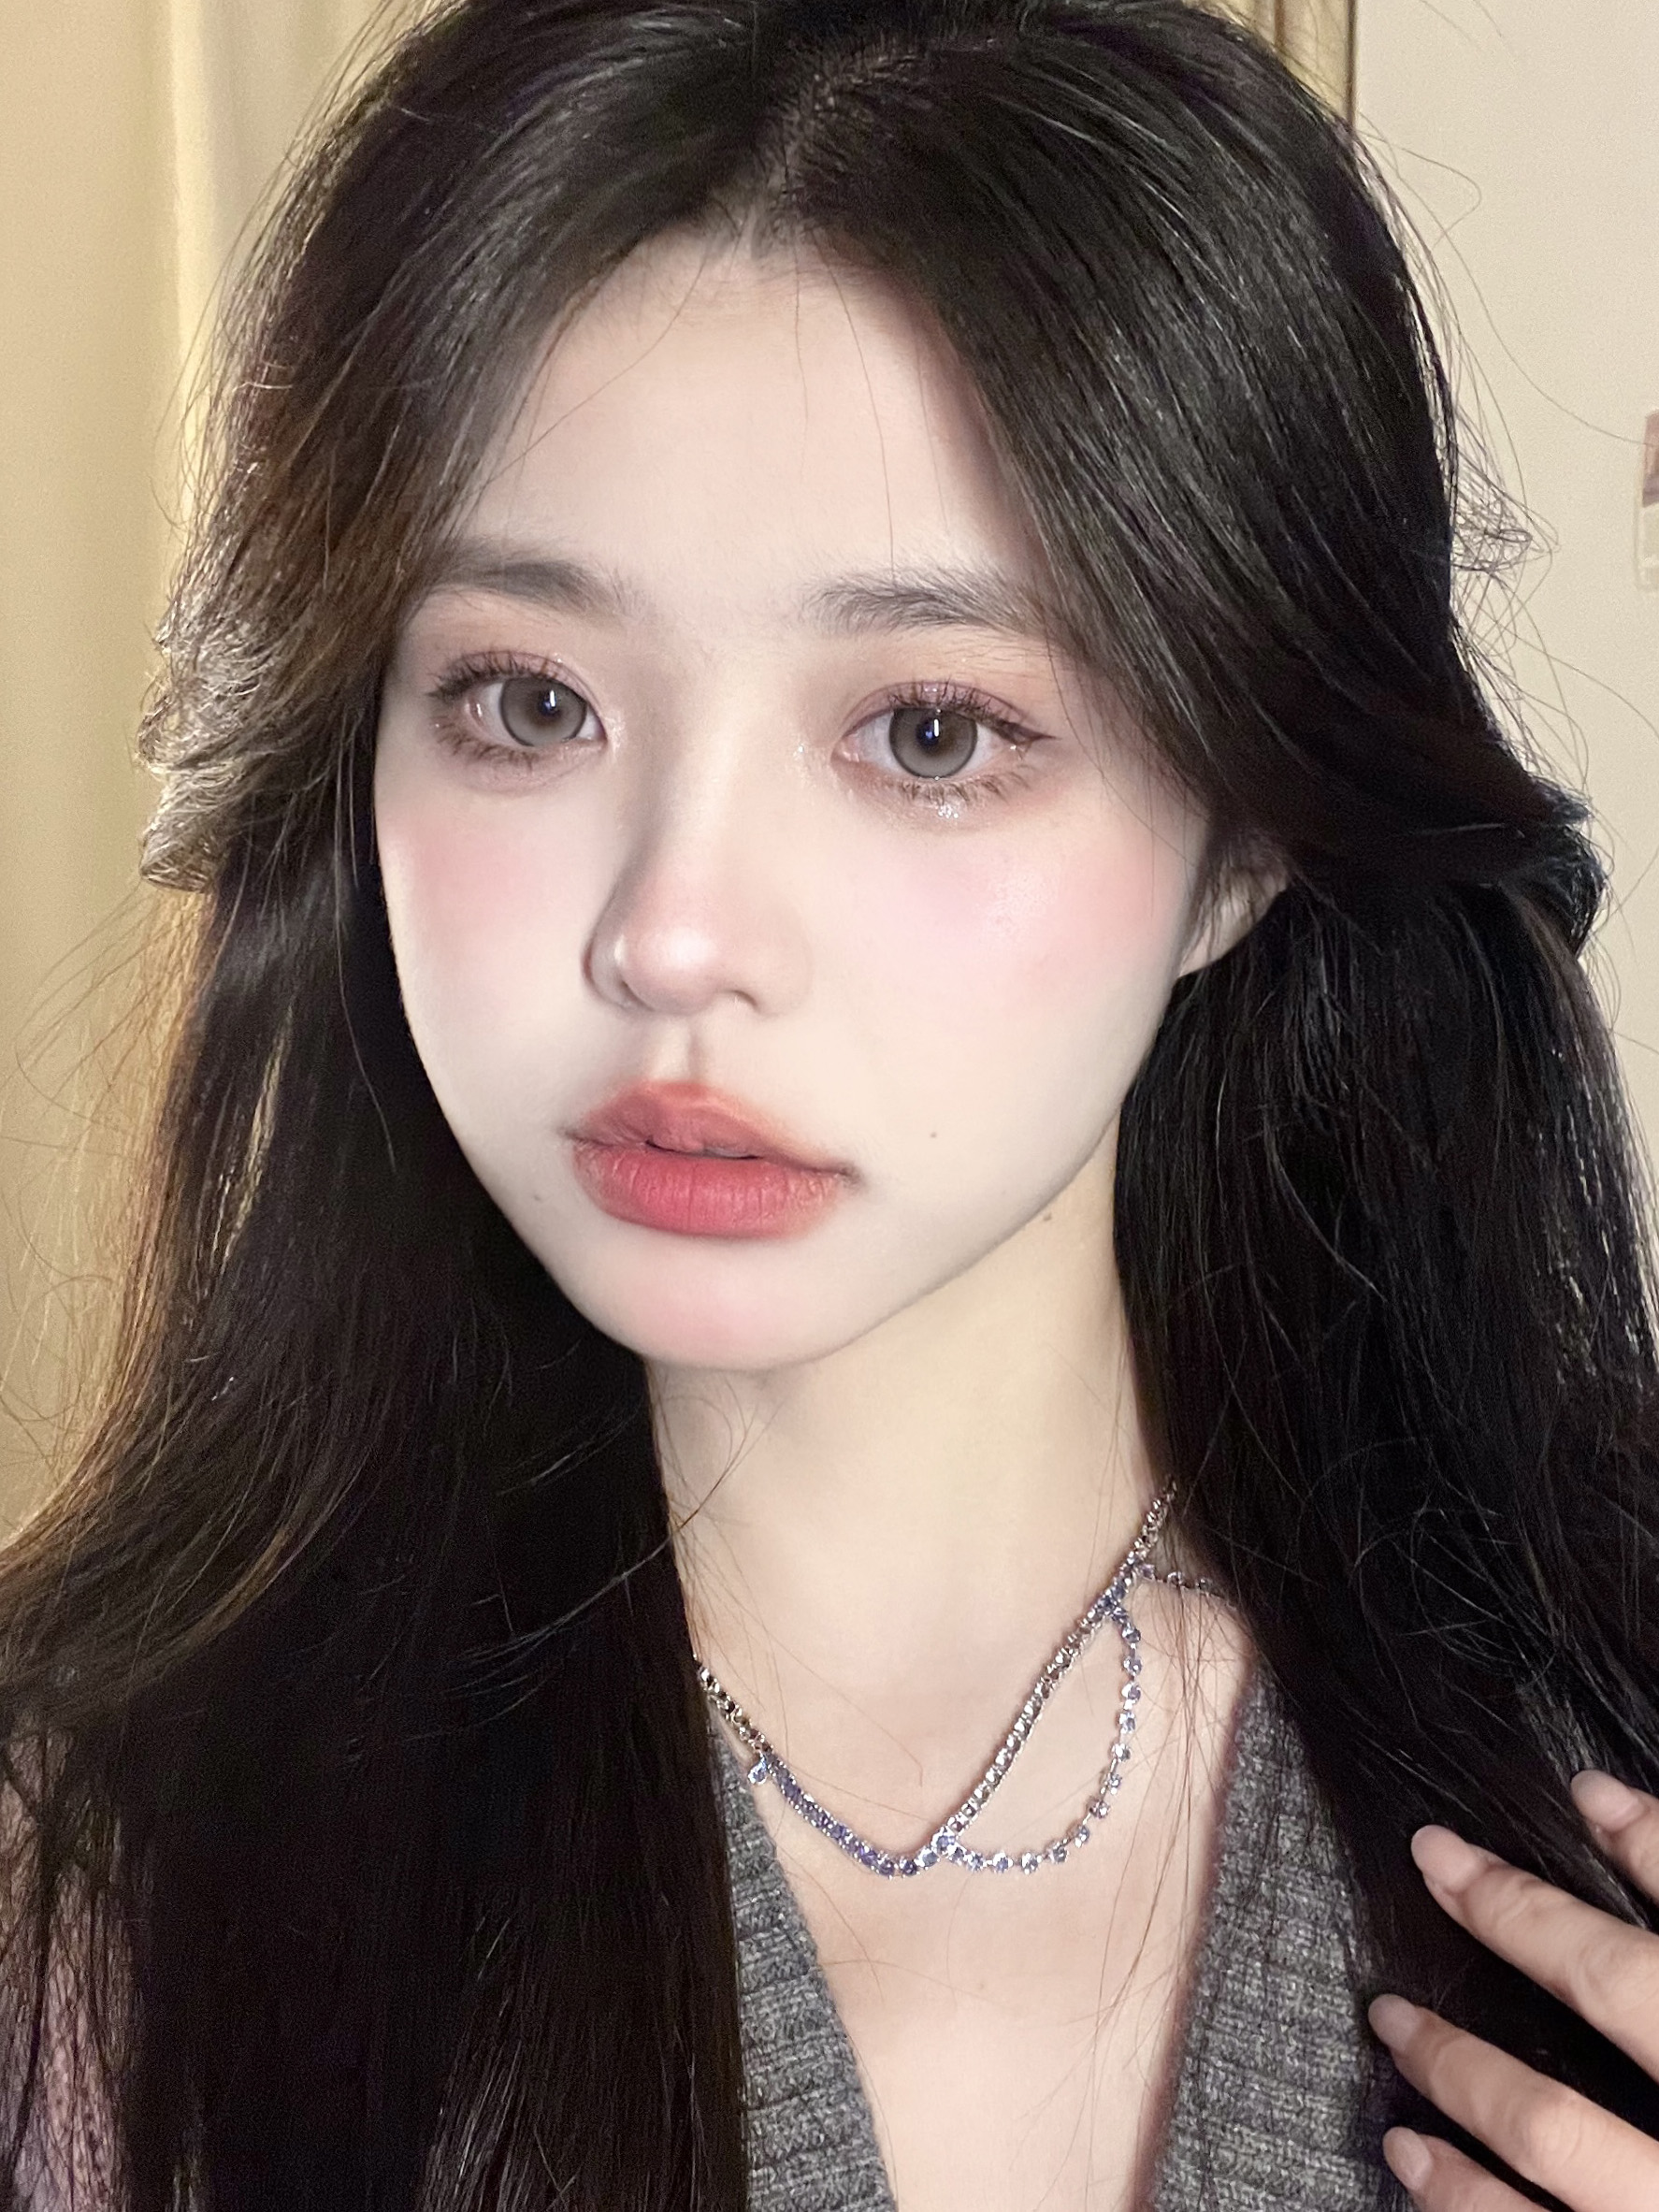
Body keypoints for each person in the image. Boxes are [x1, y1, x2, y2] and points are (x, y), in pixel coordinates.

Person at [3, 1, 1658, 2205]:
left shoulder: (1602, 1734)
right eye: (526, 701)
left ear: (1246, 834)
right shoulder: (87, 1890)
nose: (672, 932)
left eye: (930, 733)